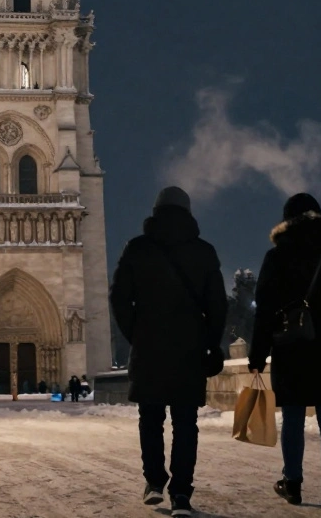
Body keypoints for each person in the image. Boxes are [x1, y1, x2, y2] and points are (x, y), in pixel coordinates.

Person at [110, 186, 228, 518]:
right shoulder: (204, 252)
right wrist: (211, 343)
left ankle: (154, 482)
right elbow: (217, 305)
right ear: (188, 213)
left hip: (149, 346)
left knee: (150, 419)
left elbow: (119, 298)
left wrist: (136, 333)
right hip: (189, 348)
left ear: (156, 211)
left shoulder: (137, 249)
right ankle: (181, 494)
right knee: (185, 423)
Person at [249, 193, 321, 518]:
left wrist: (258, 353)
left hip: (292, 348)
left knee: (293, 418)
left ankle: (293, 482)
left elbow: (264, 311)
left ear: (286, 221)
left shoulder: (276, 258)